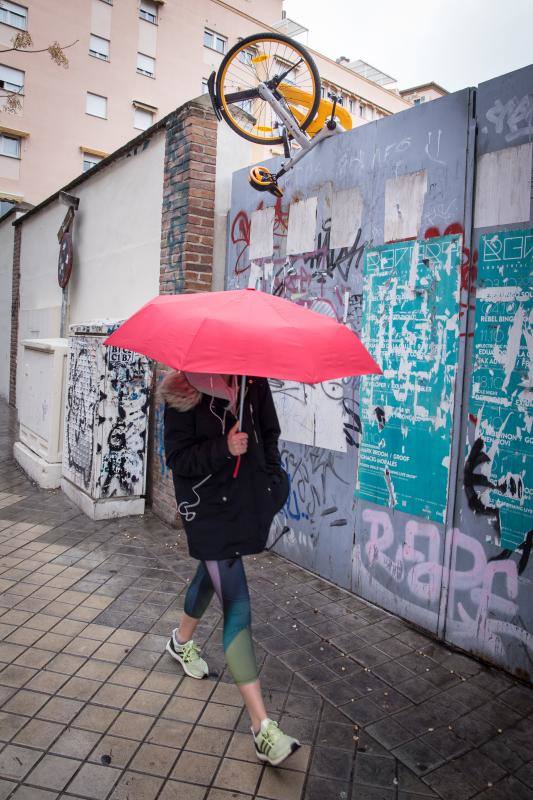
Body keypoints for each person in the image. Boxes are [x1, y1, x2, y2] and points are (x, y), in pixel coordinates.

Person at [160, 369, 300, 767]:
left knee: (213, 573)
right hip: (205, 508)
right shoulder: (182, 389)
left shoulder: (251, 380)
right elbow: (178, 458)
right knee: (236, 601)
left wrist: (274, 481)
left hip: (242, 500)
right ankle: (262, 728)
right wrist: (224, 446)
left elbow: (268, 432)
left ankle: (180, 642)